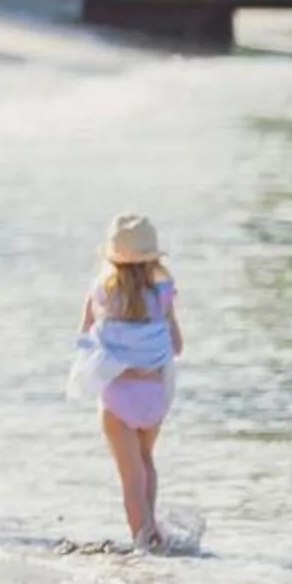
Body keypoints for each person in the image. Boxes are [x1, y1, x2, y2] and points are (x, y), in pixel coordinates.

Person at [68, 213, 184, 551]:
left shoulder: (100, 293)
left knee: (130, 477)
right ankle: (152, 530)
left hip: (118, 396)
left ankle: (142, 544)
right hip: (155, 394)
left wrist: (119, 361)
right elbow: (176, 345)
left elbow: (85, 339)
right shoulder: (163, 293)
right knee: (146, 461)